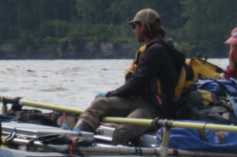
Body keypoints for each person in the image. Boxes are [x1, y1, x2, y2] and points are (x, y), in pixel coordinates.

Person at [74, 9, 185, 145]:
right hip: (139, 99)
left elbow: (137, 83)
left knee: (122, 132)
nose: (133, 30)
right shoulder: (149, 50)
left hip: (154, 108)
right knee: (100, 104)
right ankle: (76, 140)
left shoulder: (157, 51)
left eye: (134, 26)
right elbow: (136, 82)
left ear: (142, 26)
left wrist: (111, 93)